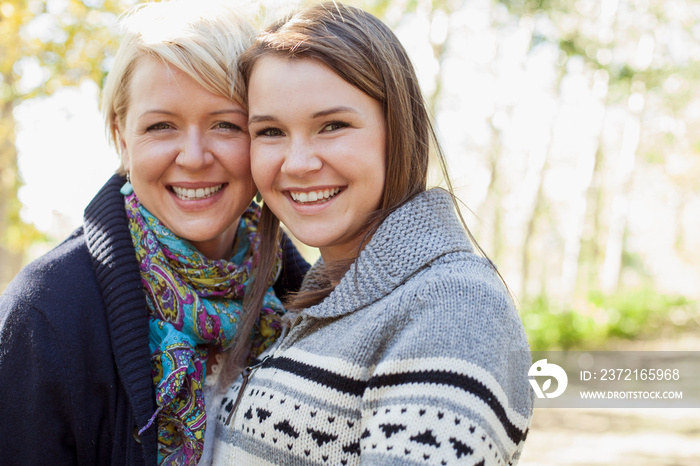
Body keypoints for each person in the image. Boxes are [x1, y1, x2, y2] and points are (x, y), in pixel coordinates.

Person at [208, 2, 534, 465]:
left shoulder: (453, 307)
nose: (298, 163)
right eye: (271, 131)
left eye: (333, 126)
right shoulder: (321, 295)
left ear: (397, 130)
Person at [0, 1, 309, 465]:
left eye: (226, 124)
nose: (193, 156)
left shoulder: (308, 303)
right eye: (161, 126)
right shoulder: (45, 315)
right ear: (121, 137)